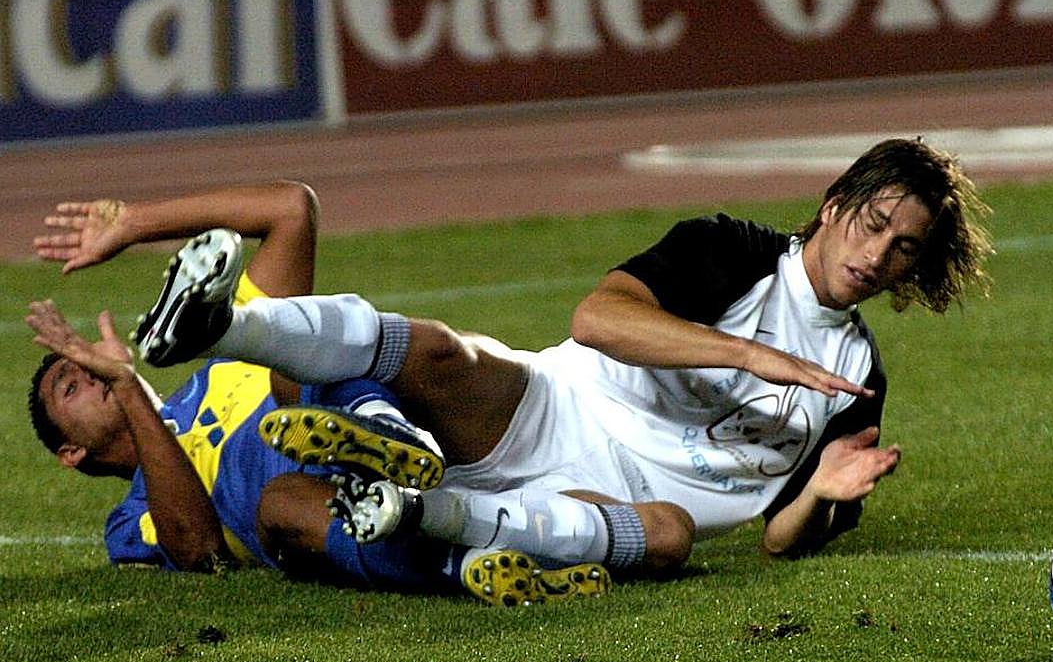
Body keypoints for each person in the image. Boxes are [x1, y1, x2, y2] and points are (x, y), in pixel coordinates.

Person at [125, 137, 993, 576]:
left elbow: (777, 540)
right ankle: (219, 330)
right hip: (554, 409)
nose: (879, 256)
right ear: (835, 202)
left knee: (671, 538)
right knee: (439, 352)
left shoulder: (858, 381)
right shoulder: (729, 252)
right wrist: (753, 357)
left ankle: (418, 503)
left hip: (621, 506)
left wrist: (823, 496)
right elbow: (596, 320)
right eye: (874, 226)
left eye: (906, 250)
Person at [25, 182, 610, 606]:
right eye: (70, 382)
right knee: (279, 504)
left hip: (444, 439)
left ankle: (383, 433)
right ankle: (477, 566)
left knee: (291, 358)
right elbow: (200, 550)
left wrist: (133, 223)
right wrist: (129, 388)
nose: (92, 370)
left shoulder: (219, 370)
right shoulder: (130, 519)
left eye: (87, 363)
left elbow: (289, 210)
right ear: (69, 453)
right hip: (372, 514)